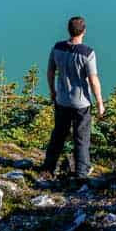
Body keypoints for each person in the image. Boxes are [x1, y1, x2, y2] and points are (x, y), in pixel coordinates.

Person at [42, 15, 104, 179]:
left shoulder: (57, 48)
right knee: (81, 138)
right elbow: (93, 79)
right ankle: (81, 173)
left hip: (62, 100)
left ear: (69, 30)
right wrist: (99, 103)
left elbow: (50, 71)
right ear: (84, 31)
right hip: (81, 104)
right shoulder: (87, 53)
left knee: (58, 135)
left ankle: (48, 168)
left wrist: (52, 91)